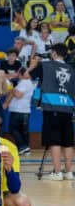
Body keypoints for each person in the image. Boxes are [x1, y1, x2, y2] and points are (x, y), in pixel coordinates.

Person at [29, 44, 75, 180]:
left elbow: (28, 75)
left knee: (54, 141)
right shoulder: (72, 69)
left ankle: (57, 172)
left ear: (54, 53)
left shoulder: (45, 65)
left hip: (52, 108)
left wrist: (33, 63)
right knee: (67, 142)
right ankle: (68, 172)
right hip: (68, 109)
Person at [5, 68, 34, 155]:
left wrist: (10, 86)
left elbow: (18, 95)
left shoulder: (24, 83)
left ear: (21, 74)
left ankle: (23, 147)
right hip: (23, 110)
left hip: (19, 110)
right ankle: (25, 148)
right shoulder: (25, 83)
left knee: (13, 129)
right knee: (22, 131)